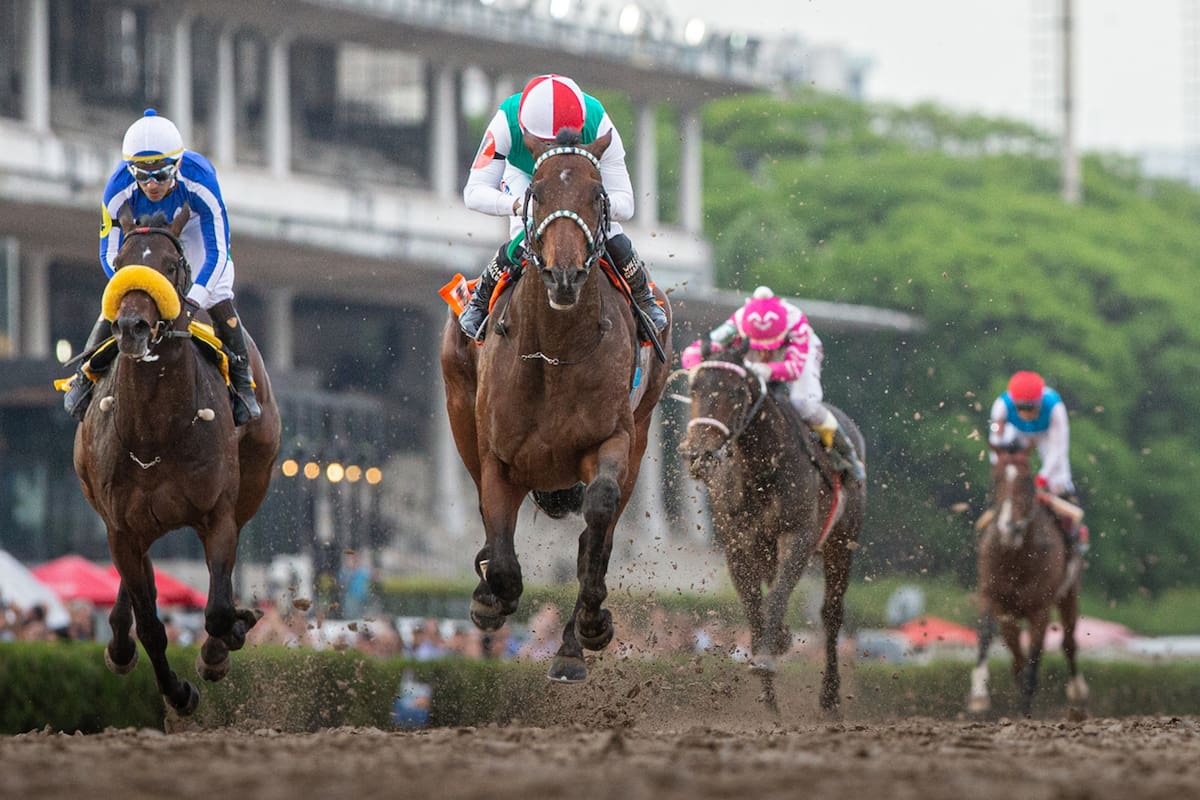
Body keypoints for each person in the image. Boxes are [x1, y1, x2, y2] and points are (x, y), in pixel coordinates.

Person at [63, 108, 261, 426]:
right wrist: (133, 288)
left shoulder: (201, 180)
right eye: (141, 176)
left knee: (218, 293)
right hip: (142, 232)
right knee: (120, 301)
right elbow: (110, 253)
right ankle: (84, 377)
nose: (151, 185)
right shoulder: (116, 190)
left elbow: (217, 255)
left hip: (192, 222)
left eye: (160, 174)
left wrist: (191, 303)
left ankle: (242, 382)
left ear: (177, 165)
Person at [457, 73, 667, 341]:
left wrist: (587, 206)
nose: (553, 150)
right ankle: (479, 301)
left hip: (579, 180)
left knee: (609, 230)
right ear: (525, 129)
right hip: (526, 176)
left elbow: (625, 204)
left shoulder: (599, 123)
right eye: (545, 143)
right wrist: (522, 206)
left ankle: (643, 298)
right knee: (526, 234)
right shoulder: (505, 121)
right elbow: (474, 192)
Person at [680, 286, 866, 482]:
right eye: (759, 348)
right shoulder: (736, 324)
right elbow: (691, 353)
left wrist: (767, 370)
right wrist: (697, 370)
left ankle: (846, 453)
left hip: (795, 353)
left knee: (804, 404)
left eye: (769, 348)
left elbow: (795, 368)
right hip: (750, 349)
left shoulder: (797, 325)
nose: (764, 354)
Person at [988, 370, 1088, 554]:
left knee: (1060, 477)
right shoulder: (1000, 406)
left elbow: (1058, 449)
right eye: (1021, 407)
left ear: (1040, 402)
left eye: (1031, 407)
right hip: (1016, 432)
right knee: (1008, 470)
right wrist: (1002, 470)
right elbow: (996, 445)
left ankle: (1071, 530)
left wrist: (1043, 478)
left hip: (1047, 434)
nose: (1026, 413)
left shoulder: (1055, 408)